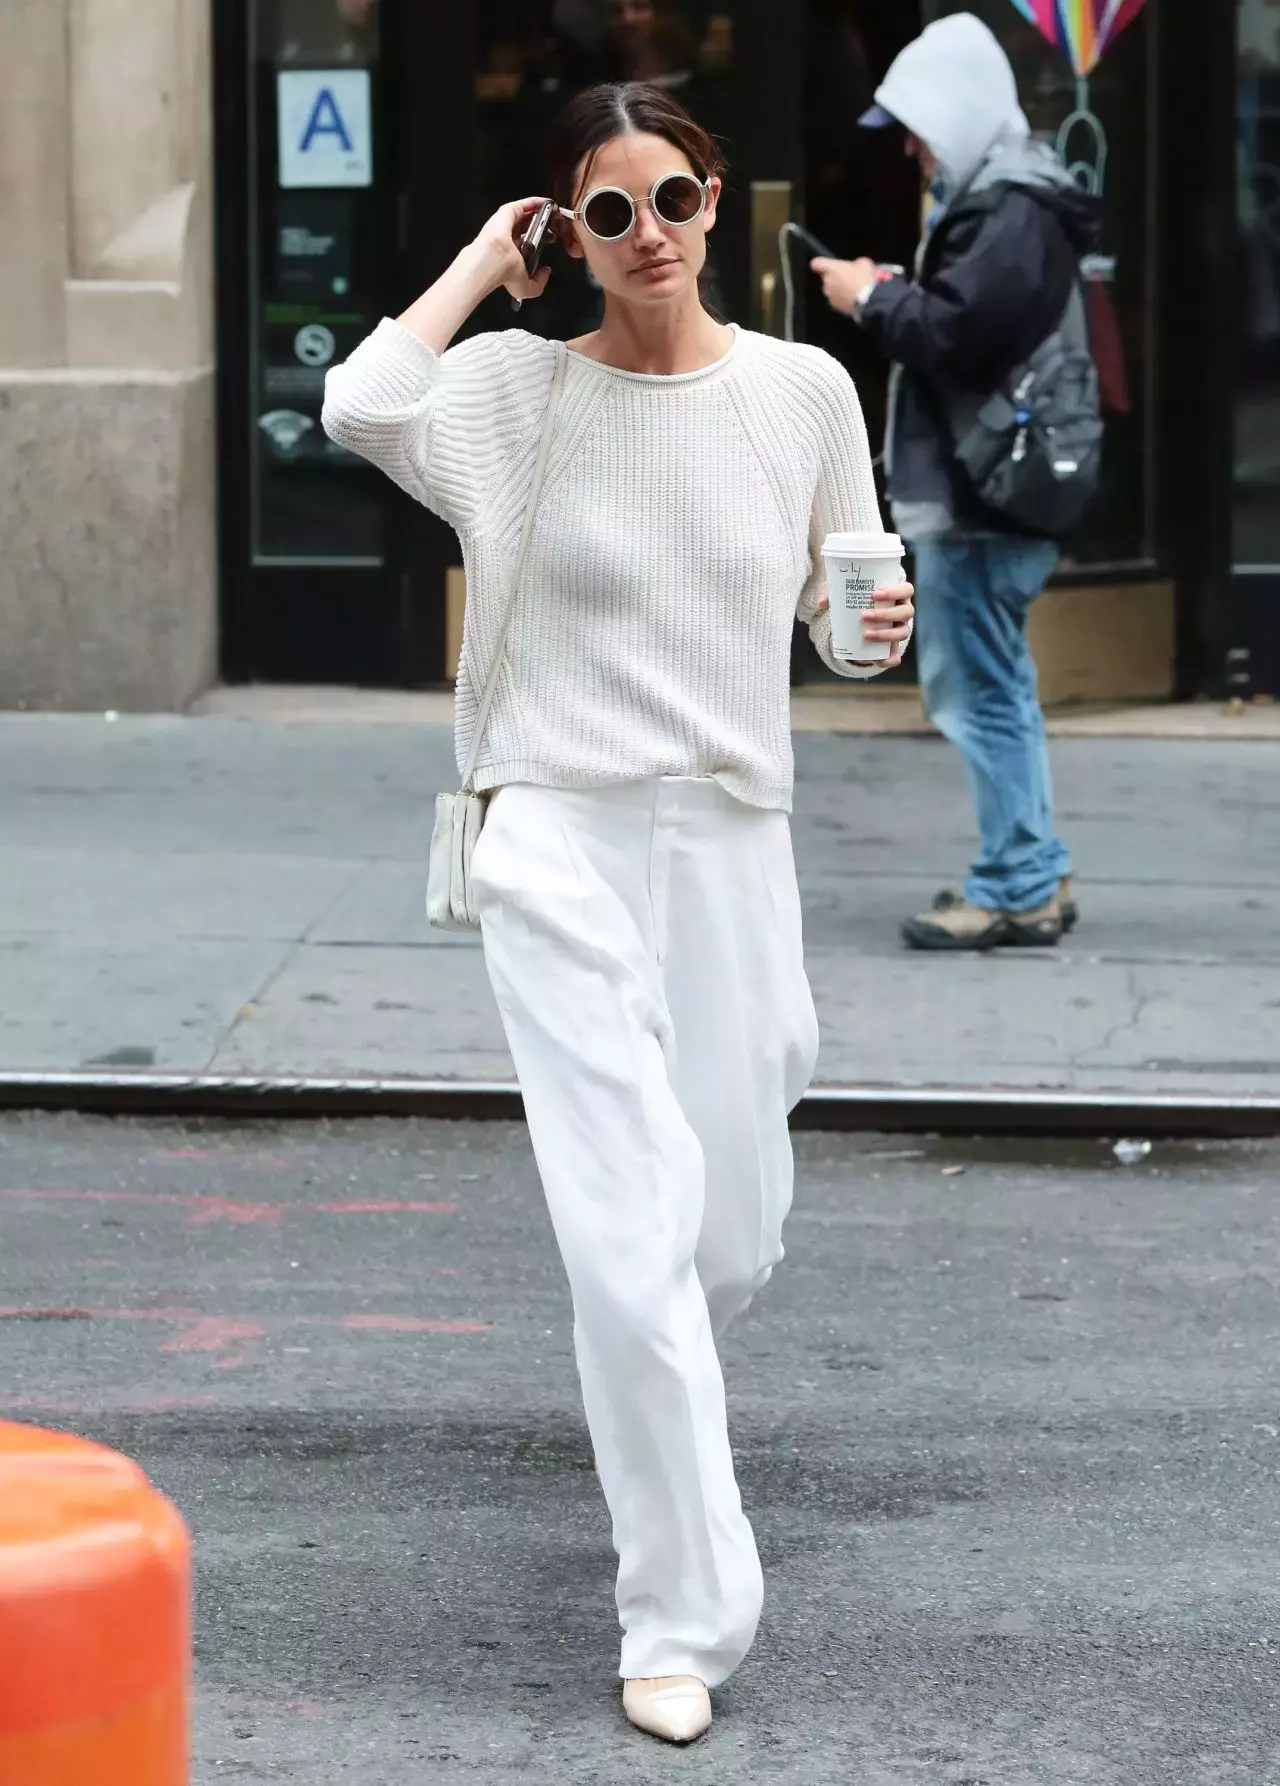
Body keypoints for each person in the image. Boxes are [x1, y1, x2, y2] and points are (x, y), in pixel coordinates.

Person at [322, 81, 913, 1743]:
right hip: (555, 834)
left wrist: (865, 624)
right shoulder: (517, 395)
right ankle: (680, 1614)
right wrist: (471, 263)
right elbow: (363, 404)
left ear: (717, 201)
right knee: (631, 1238)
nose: (644, 233)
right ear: (564, 234)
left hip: (730, 835)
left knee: (728, 1232)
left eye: (671, 197)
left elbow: (847, 605)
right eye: (605, 210)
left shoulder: (802, 392)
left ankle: (655, 1394)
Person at [812, 12, 1101, 951]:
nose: (912, 147)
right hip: (987, 492)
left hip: (979, 501)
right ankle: (1032, 870)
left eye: (919, 123)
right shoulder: (1008, 199)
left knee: (979, 692)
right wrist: (900, 288)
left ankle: (1017, 882)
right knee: (992, 685)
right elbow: (976, 321)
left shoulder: (1010, 206)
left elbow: (957, 336)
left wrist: (871, 296)